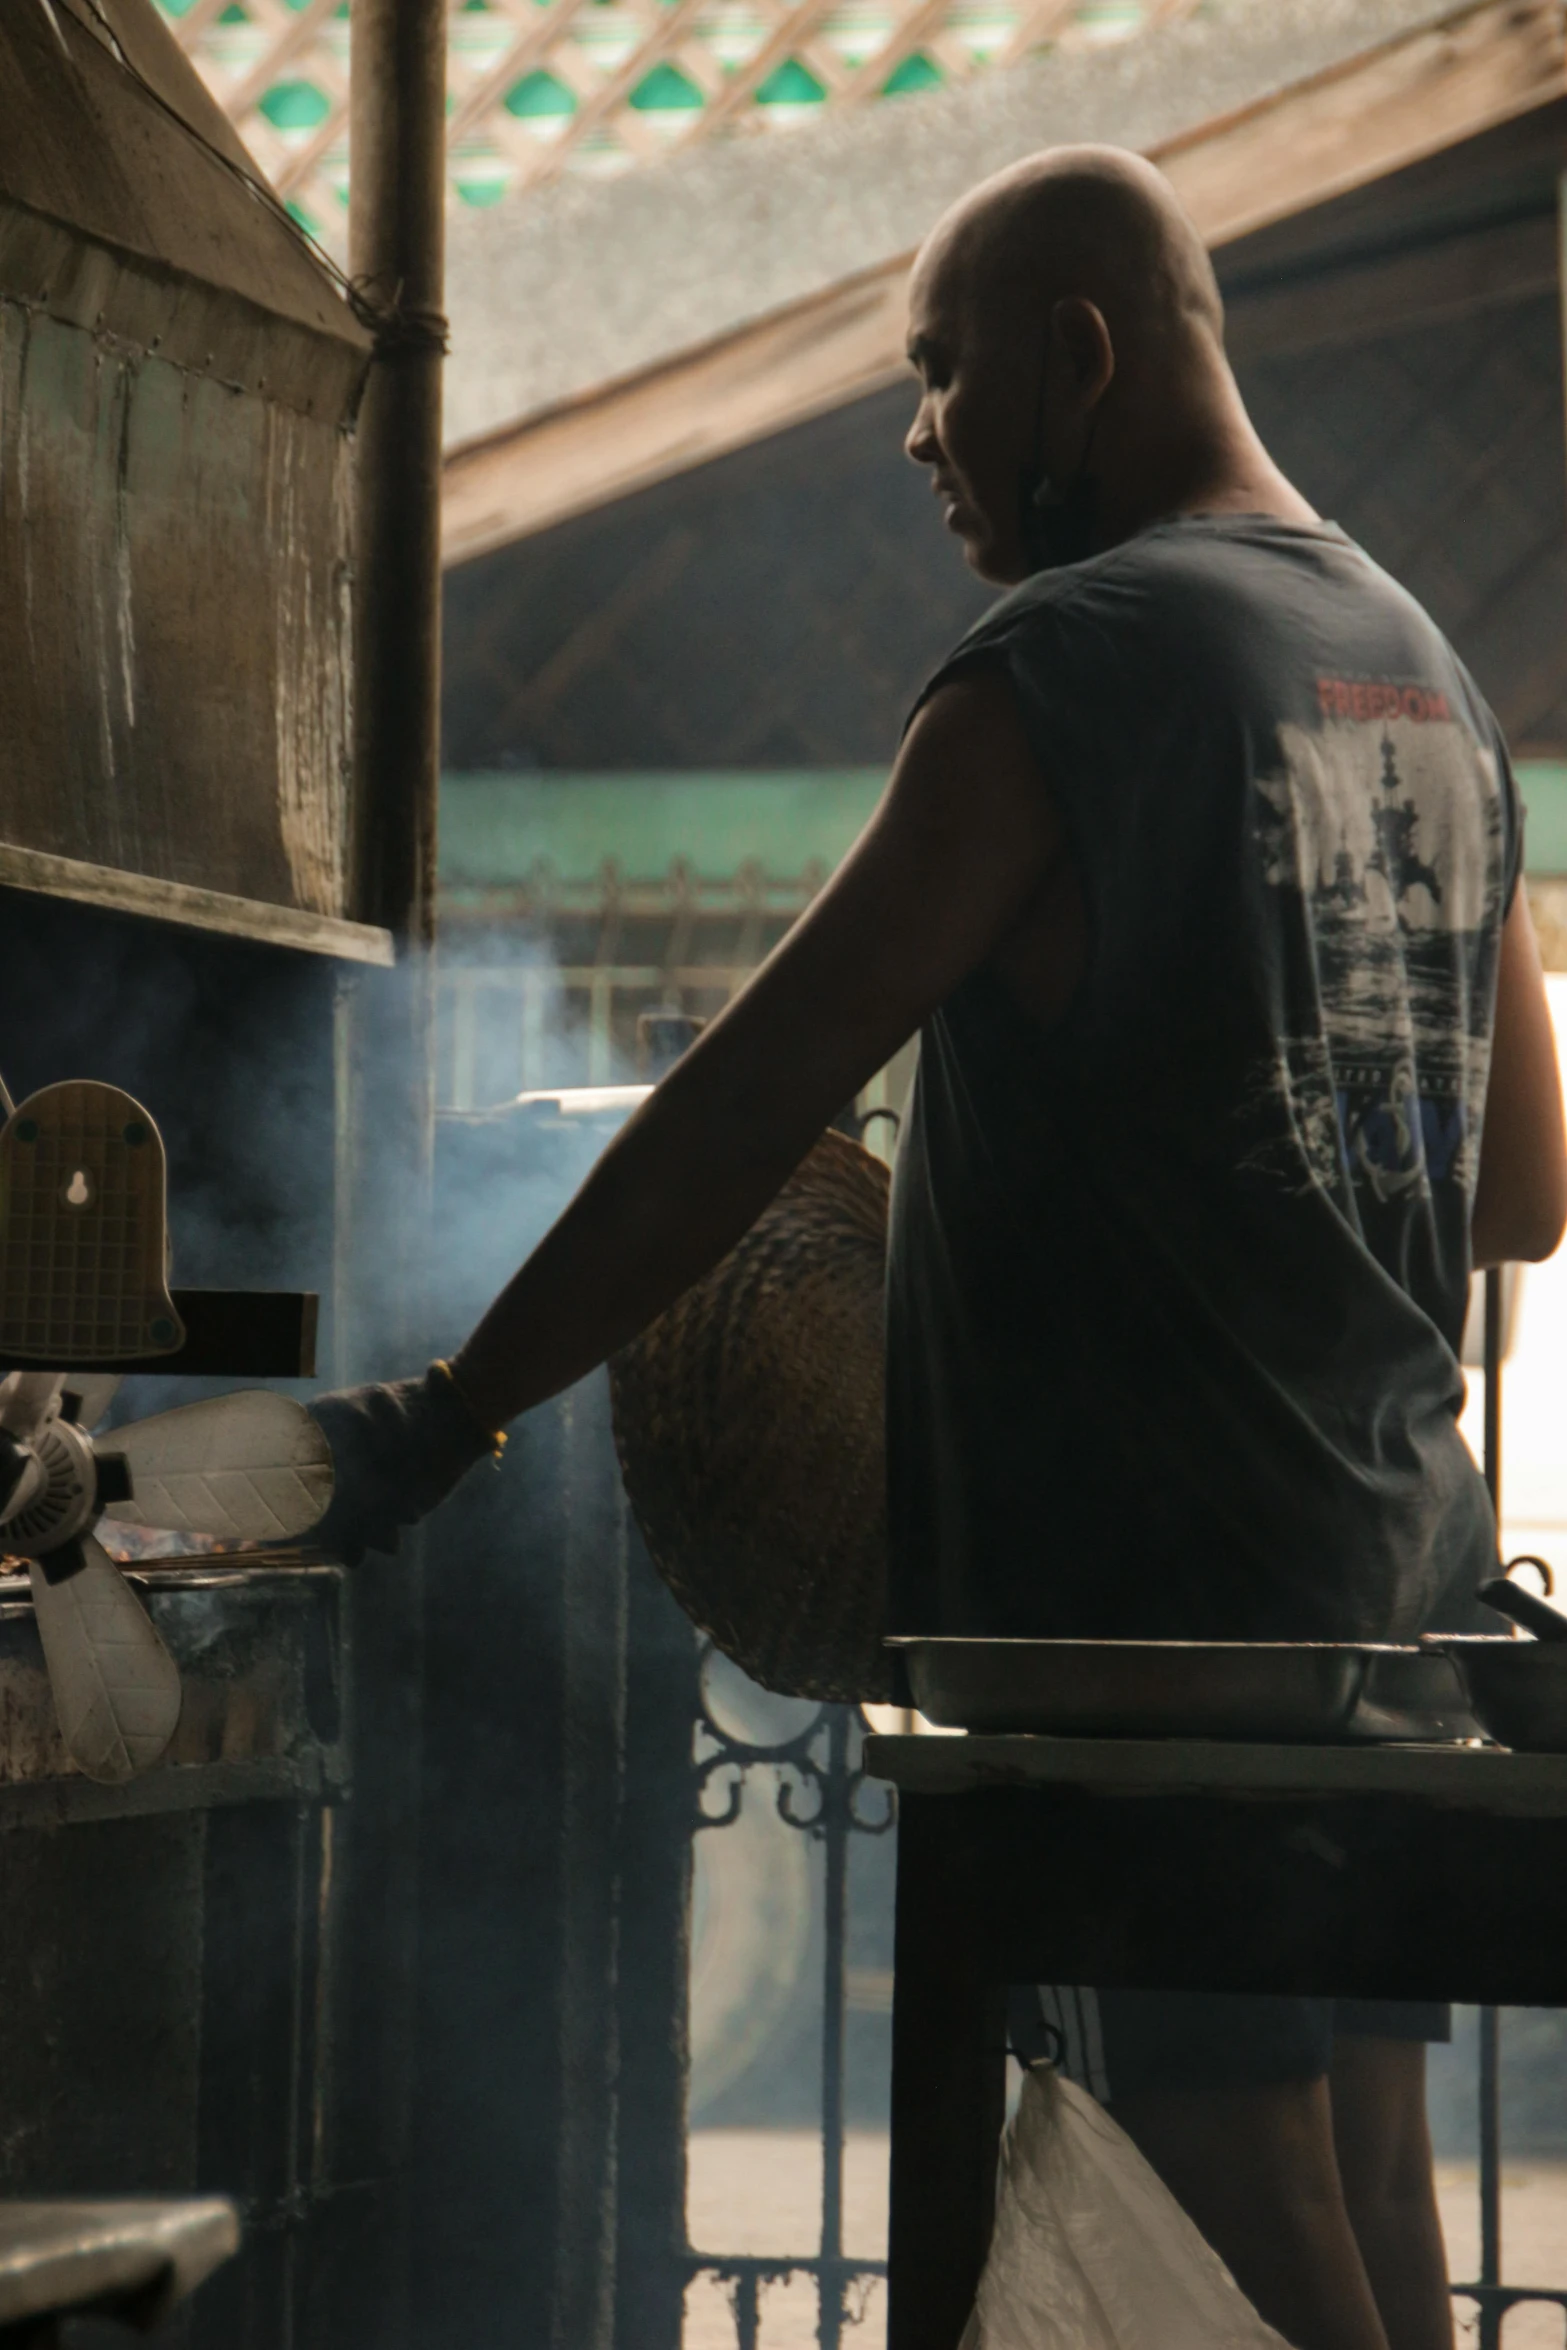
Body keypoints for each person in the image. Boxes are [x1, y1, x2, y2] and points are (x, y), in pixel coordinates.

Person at [313, 148, 1567, 2350]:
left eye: (937, 369)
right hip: (1396, 1598)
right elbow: (1522, 1192)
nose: (917, 432)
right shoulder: (1424, 671)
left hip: (1155, 1640)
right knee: (1369, 2185)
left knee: (1233, 2194)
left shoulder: (1066, 670)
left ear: (1072, 355)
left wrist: (447, 1406)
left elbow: (746, 1102)